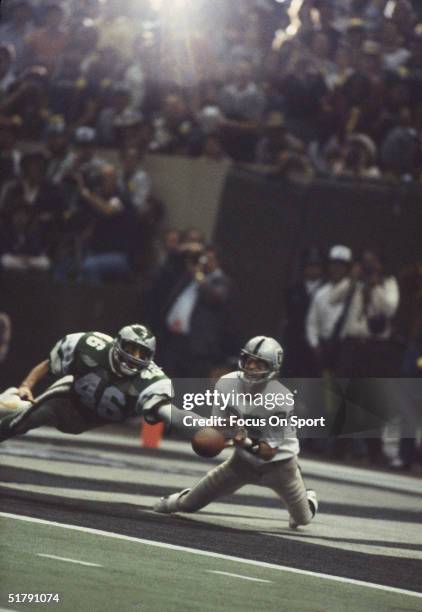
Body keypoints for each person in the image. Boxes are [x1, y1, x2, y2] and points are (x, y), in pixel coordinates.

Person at [154, 336, 318, 530]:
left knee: (302, 520)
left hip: (280, 466)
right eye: (249, 360)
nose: (251, 367)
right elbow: (218, 427)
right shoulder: (226, 383)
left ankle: (309, 499)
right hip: (242, 463)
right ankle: (175, 500)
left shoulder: (281, 398)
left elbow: (268, 451)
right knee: (188, 505)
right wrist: (218, 438)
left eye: (259, 364)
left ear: (274, 369)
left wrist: (243, 440)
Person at [0, 324, 190, 442]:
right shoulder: (90, 346)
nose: (135, 357)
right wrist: (26, 385)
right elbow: (49, 364)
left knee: (21, 410)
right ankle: (11, 403)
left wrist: (199, 429)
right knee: (26, 419)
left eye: (142, 353)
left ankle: (9, 400)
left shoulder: (152, 380)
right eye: (131, 349)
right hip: (68, 400)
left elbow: (170, 412)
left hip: (85, 422)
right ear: (118, 344)